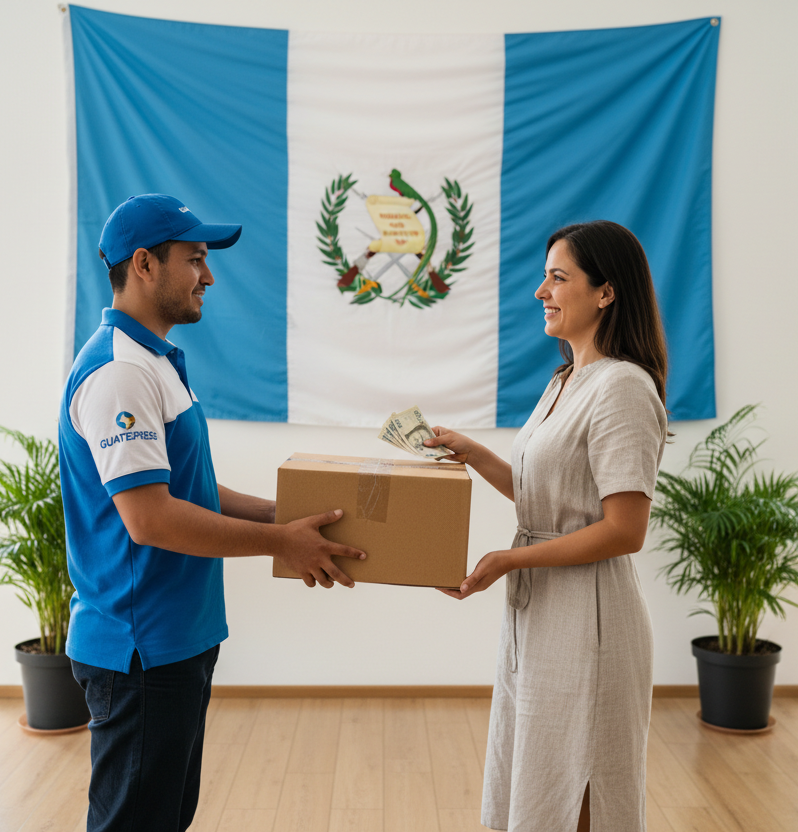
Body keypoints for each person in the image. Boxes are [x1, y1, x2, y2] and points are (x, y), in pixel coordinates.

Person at [58, 193, 366, 832]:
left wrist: (281, 516)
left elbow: (182, 487)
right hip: (140, 648)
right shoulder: (119, 373)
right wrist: (281, 542)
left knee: (165, 817)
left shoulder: (154, 362)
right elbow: (151, 518)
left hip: (178, 639)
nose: (209, 276)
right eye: (195, 259)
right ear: (145, 265)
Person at [426, 220, 669, 832]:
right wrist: (474, 454)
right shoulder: (566, 380)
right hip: (539, 610)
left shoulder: (622, 387)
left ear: (606, 292)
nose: (541, 291)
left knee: (578, 777)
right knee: (535, 771)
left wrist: (509, 560)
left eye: (558, 278)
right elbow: (547, 495)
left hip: (590, 617)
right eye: (544, 277)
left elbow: (625, 530)